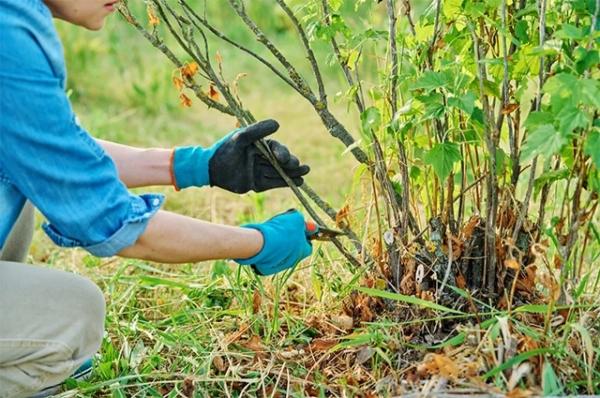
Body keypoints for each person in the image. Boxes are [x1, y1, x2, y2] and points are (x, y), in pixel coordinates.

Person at [0, 0, 313, 396]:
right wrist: (258, 243)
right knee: (73, 317)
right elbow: (115, 225)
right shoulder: (8, 36)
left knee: (16, 190)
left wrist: (198, 166)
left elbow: (51, 151)